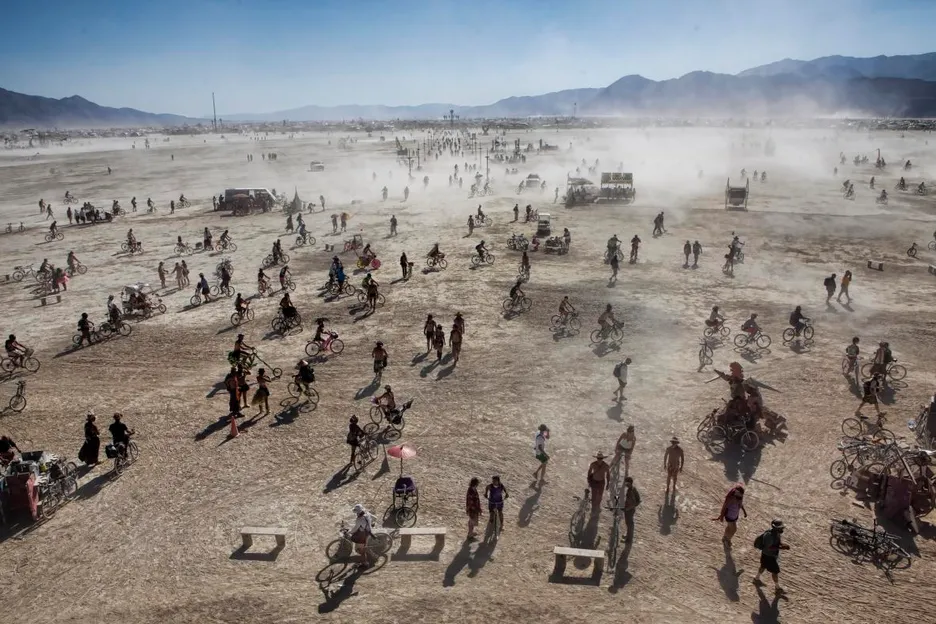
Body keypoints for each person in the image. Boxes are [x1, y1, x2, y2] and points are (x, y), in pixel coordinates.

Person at [753, 519, 790, 593]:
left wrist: (782, 545)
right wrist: (781, 547)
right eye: (780, 527)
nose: (782, 529)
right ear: (776, 528)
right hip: (769, 556)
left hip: (767, 555)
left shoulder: (776, 533)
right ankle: (777, 587)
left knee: (763, 566)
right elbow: (769, 547)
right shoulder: (769, 535)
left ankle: (756, 578)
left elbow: (777, 542)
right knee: (775, 571)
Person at [715, 484, 747, 548]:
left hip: (734, 516)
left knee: (729, 527)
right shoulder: (731, 498)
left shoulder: (739, 498)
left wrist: (744, 511)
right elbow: (724, 507)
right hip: (729, 516)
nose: (739, 498)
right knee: (734, 529)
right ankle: (727, 540)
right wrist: (721, 516)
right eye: (738, 497)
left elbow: (740, 505)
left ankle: (725, 537)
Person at [621, 476, 641, 542]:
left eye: (626, 483)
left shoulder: (630, 492)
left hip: (629, 510)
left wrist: (627, 509)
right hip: (629, 509)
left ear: (629, 483)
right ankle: (628, 535)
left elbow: (633, 503)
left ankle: (628, 540)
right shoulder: (632, 489)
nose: (625, 484)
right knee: (628, 524)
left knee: (630, 524)